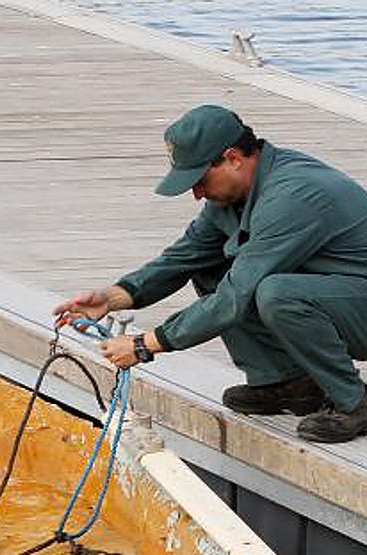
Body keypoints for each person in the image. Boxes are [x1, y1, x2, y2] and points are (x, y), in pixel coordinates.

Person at [53, 104, 367, 443]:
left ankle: (355, 401)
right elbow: (184, 257)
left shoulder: (294, 196)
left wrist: (146, 345)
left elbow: (235, 297)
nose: (196, 193)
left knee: (277, 293)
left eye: (200, 179)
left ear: (232, 158)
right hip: (344, 298)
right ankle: (289, 384)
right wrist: (113, 297)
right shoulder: (233, 196)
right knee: (213, 267)